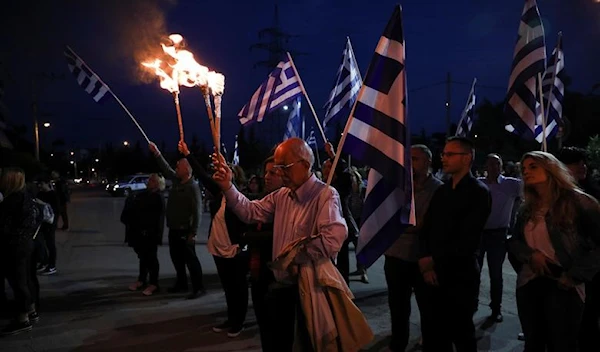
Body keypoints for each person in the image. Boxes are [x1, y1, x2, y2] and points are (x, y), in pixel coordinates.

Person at [211, 137, 348, 350]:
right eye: (277, 167)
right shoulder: (282, 195)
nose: (279, 172)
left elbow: (333, 239)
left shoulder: (325, 195)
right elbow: (250, 211)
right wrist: (228, 186)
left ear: (304, 164)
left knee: (308, 344)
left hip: (311, 290)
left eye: (284, 166)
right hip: (282, 289)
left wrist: (294, 256)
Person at [508, 151, 600, 351]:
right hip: (530, 282)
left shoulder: (580, 203)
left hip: (563, 284)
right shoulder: (527, 207)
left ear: (551, 168)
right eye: (523, 169)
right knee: (534, 342)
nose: (526, 172)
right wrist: (531, 255)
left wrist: (575, 275)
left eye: (533, 167)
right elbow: (515, 242)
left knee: (562, 343)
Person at [418, 137, 491, 352]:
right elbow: (427, 227)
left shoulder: (478, 192)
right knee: (434, 333)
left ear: (467, 158)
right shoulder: (442, 191)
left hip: (460, 275)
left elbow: (467, 238)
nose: (444, 159)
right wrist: (424, 258)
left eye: (450, 154)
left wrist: (433, 261)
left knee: (461, 333)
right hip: (432, 274)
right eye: (444, 154)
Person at [178, 141, 250, 338]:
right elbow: (202, 175)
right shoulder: (220, 195)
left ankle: (239, 322)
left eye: (227, 174)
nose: (221, 177)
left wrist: (242, 243)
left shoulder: (243, 198)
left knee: (239, 288)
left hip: (234, 250)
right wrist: (188, 154)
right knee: (228, 288)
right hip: (219, 249)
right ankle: (230, 317)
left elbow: (247, 223)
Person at [385, 145, 443, 352]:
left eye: (415, 159)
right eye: (408, 159)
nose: (410, 164)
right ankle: (398, 342)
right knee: (398, 306)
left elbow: (428, 225)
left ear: (428, 162)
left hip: (422, 259)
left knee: (428, 306)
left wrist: (405, 225)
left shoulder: (438, 189)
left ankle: (429, 342)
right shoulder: (397, 187)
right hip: (395, 255)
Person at [556, 147, 600, 351]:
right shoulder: (553, 197)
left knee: (587, 321)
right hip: (559, 272)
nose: (583, 166)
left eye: (583, 162)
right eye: (576, 162)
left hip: (588, 273)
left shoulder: (592, 197)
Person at [149, 142, 205, 299]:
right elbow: (166, 168)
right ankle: (181, 284)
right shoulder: (176, 180)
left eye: (179, 166)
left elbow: (197, 211)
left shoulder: (192, 186)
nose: (176, 168)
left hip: (185, 230)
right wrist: (157, 153)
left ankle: (198, 287)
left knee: (191, 260)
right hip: (174, 229)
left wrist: (193, 232)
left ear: (187, 169)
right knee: (177, 259)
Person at [244, 156, 284, 351]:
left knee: (279, 333)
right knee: (265, 330)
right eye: (265, 172)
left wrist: (250, 237)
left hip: (277, 280)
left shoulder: (288, 206)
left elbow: (280, 236)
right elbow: (245, 210)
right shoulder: (262, 200)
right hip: (258, 275)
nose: (266, 177)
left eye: (273, 173)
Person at [476, 154, 522, 322]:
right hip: (479, 234)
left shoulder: (511, 185)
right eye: (490, 164)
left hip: (498, 235)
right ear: (485, 167)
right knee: (475, 271)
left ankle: (496, 308)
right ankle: (472, 304)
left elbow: (531, 190)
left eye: (497, 164)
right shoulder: (478, 183)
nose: (494, 167)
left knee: (496, 274)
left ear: (501, 166)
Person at [0, 168, 43, 336]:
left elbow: (4, 225)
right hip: (26, 243)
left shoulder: (12, 200)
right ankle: (31, 311)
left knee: (18, 282)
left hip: (14, 245)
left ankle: (22, 319)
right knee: (24, 280)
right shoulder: (27, 197)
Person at [121, 173, 166, 296]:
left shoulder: (158, 197)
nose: (148, 181)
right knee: (143, 258)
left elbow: (158, 219)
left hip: (151, 234)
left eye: (151, 180)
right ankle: (142, 280)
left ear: (157, 183)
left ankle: (154, 283)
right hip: (140, 232)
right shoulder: (145, 194)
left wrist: (154, 233)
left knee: (151, 258)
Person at [322, 155, 359, 285]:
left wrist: (333, 155)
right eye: (325, 166)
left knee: (341, 266)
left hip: (338, 230)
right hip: (324, 231)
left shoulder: (341, 185)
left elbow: (345, 174)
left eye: (330, 166)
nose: (327, 169)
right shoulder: (321, 186)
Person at [35, 178, 60, 275]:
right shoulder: (40, 194)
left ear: (47, 183)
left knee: (50, 244)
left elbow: (56, 210)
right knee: (39, 243)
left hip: (50, 223)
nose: (39, 186)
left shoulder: (53, 195)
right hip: (40, 223)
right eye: (38, 184)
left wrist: (42, 204)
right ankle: (44, 262)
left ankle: (52, 265)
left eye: (41, 183)